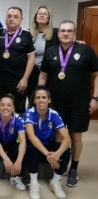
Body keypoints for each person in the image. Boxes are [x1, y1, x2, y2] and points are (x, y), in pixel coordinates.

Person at [39, 20, 98, 188]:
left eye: (69, 31)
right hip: (56, 103)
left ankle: (74, 168)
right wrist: (41, 96)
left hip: (79, 102)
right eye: (63, 31)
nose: (65, 33)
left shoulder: (85, 50)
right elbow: (43, 75)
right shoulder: (50, 52)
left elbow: (96, 74)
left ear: (74, 33)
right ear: (58, 34)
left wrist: (96, 98)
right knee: (59, 135)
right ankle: (62, 162)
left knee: (76, 135)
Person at [25, 85, 71, 199]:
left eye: (44, 97)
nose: (41, 100)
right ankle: (34, 184)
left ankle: (55, 182)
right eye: (38, 97)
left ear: (49, 100)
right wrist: (48, 154)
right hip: (36, 148)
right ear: (34, 100)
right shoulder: (30, 113)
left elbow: (67, 138)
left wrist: (58, 152)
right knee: (32, 149)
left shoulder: (54, 114)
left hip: (48, 145)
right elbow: (31, 136)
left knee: (66, 150)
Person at [0, 7, 35, 114]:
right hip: (0, 79)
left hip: (18, 80)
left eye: (16, 17)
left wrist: (25, 79)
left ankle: (18, 130)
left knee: (18, 109)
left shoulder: (26, 35)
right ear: (5, 18)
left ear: (21, 19)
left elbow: (31, 59)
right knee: (0, 108)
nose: (12, 19)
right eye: (9, 16)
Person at [0, 94, 26, 193]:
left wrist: (19, 160)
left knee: (18, 149)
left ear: (13, 108)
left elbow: (23, 141)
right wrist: (5, 158)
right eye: (2, 105)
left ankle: (15, 177)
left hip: (11, 143)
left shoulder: (19, 120)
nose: (5, 107)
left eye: (9, 105)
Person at [27, 6, 59, 100]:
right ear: (35, 17)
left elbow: (67, 42)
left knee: (48, 100)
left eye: (45, 14)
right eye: (39, 13)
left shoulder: (56, 33)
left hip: (49, 73)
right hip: (32, 73)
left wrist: (79, 42)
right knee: (33, 99)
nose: (42, 15)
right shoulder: (27, 34)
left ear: (49, 18)